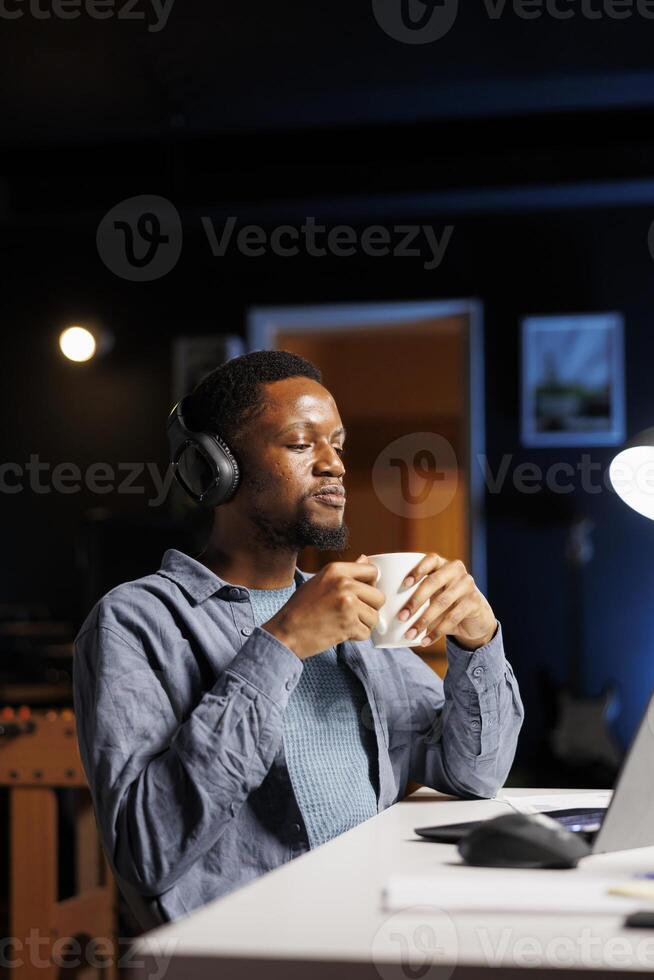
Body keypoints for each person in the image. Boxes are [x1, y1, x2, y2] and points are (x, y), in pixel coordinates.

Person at [73, 349, 524, 930]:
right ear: (216, 469)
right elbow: (147, 853)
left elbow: (473, 774)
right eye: (301, 443)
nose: (334, 464)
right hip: (250, 956)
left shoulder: (352, 609)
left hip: (372, 935)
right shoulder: (136, 622)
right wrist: (279, 646)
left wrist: (478, 640)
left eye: (338, 443)